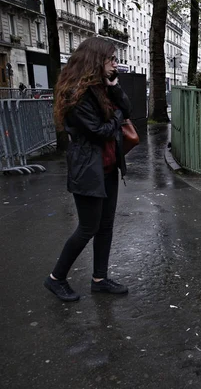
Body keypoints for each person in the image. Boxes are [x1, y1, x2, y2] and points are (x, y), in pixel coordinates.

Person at [44, 37, 132, 302]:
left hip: (107, 165)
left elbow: (127, 108)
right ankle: (55, 278)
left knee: (105, 225)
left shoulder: (101, 87)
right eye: (111, 59)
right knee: (88, 227)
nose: (115, 63)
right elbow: (99, 131)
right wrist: (118, 117)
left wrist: (115, 87)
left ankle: (100, 279)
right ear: (96, 60)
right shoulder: (76, 93)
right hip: (88, 169)